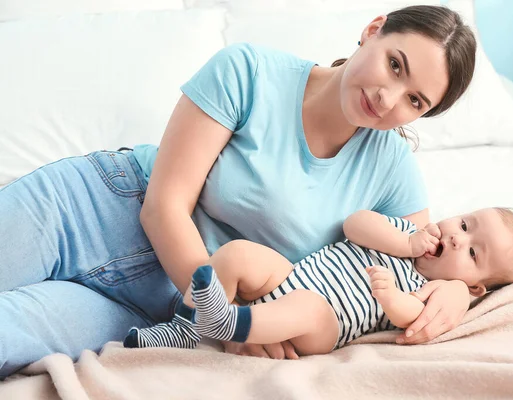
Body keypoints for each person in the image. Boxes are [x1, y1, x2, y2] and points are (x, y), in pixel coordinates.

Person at [0, 5, 476, 378]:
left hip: (165, 307)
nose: (388, 99)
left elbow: (418, 260)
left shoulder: (393, 169)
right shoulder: (249, 70)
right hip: (93, 210)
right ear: (374, 29)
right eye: (395, 65)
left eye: (415, 100)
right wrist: (224, 320)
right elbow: (163, 206)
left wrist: (455, 291)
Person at [125, 208, 513, 354]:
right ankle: (182, 329)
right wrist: (405, 242)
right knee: (238, 254)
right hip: (290, 277)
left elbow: (412, 316)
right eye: (464, 223)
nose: (458, 237)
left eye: (473, 253)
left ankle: (230, 323)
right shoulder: (403, 235)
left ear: (475, 287)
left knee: (308, 307)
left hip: (324, 325)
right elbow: (355, 224)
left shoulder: (433, 291)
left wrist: (391, 297)